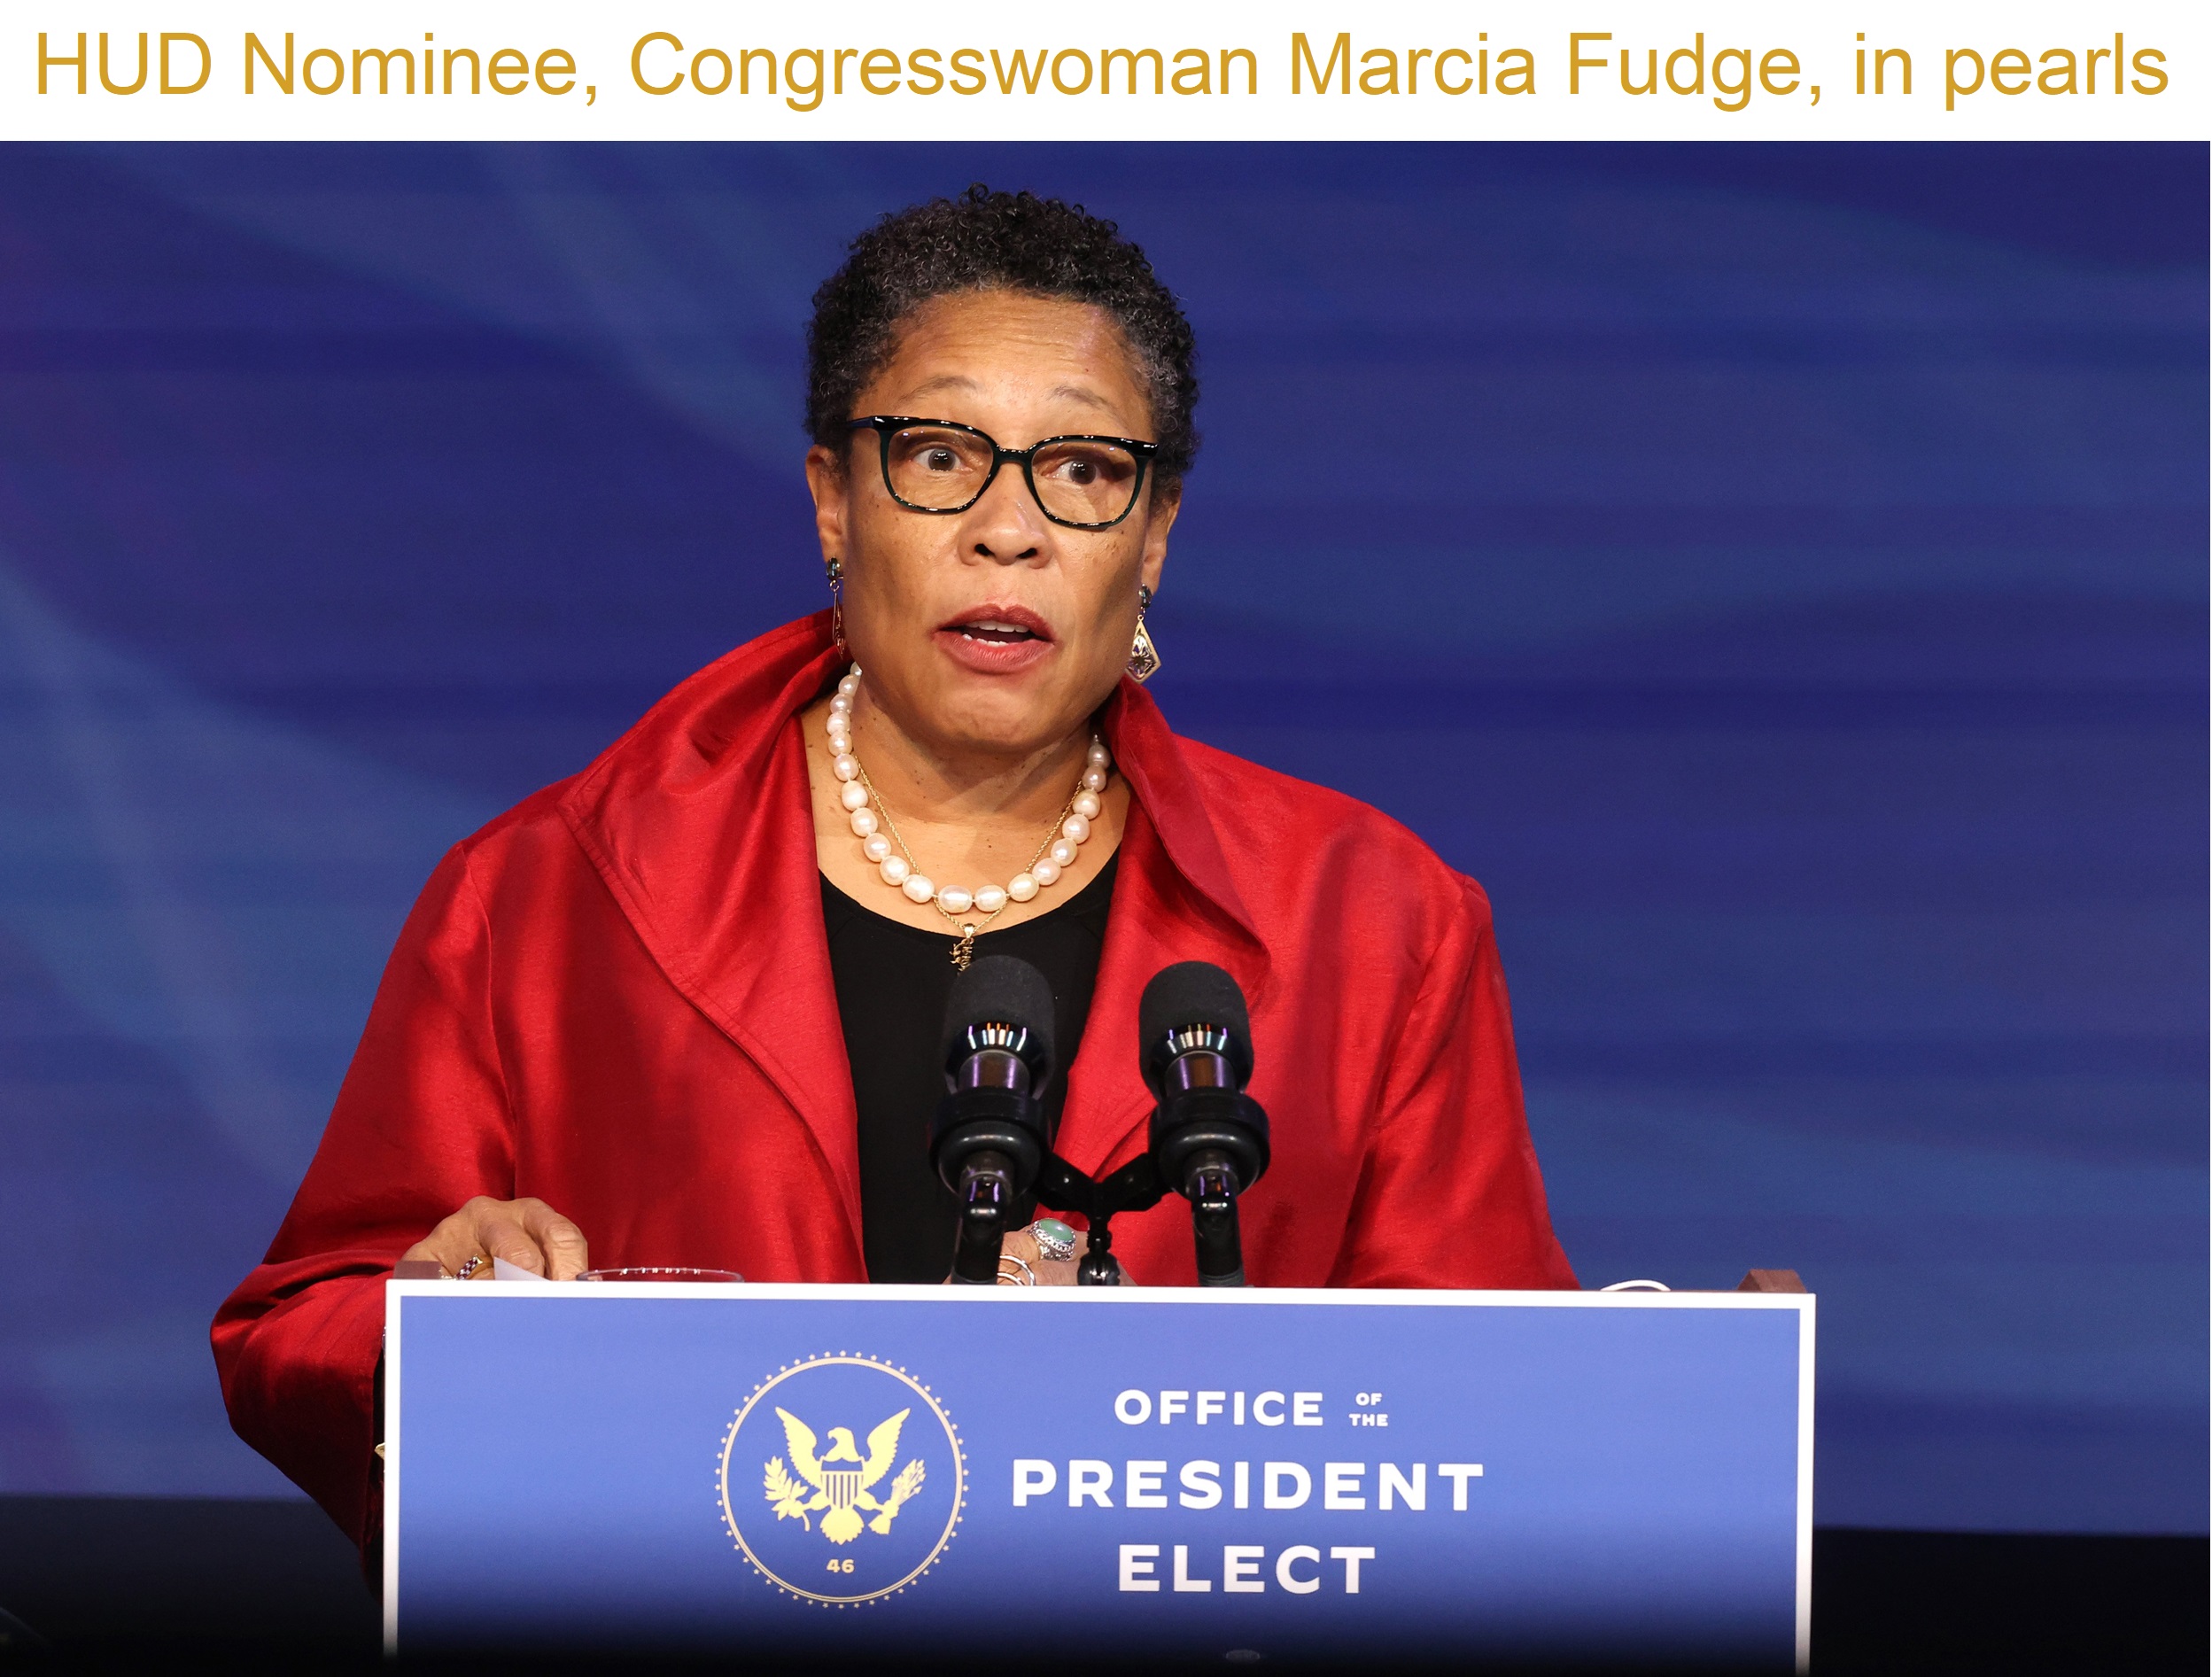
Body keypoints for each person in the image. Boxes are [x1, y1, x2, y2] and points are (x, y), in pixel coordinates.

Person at [213, 185, 1577, 1560]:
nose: (1009, 529)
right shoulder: (548, 892)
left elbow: (1488, 1416)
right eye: (938, 456)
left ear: (1154, 533)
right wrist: (431, 1333)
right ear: (830, 498)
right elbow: (297, 1330)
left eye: (1085, 470)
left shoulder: (1372, 918)